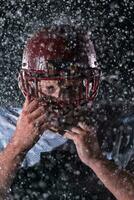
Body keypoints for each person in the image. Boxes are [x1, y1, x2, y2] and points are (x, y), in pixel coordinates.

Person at [0, 24, 134, 200]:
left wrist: (98, 161)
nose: (60, 99)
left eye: (71, 88)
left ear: (88, 87)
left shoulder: (120, 127)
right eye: (49, 88)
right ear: (30, 86)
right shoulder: (3, 126)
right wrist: (16, 145)